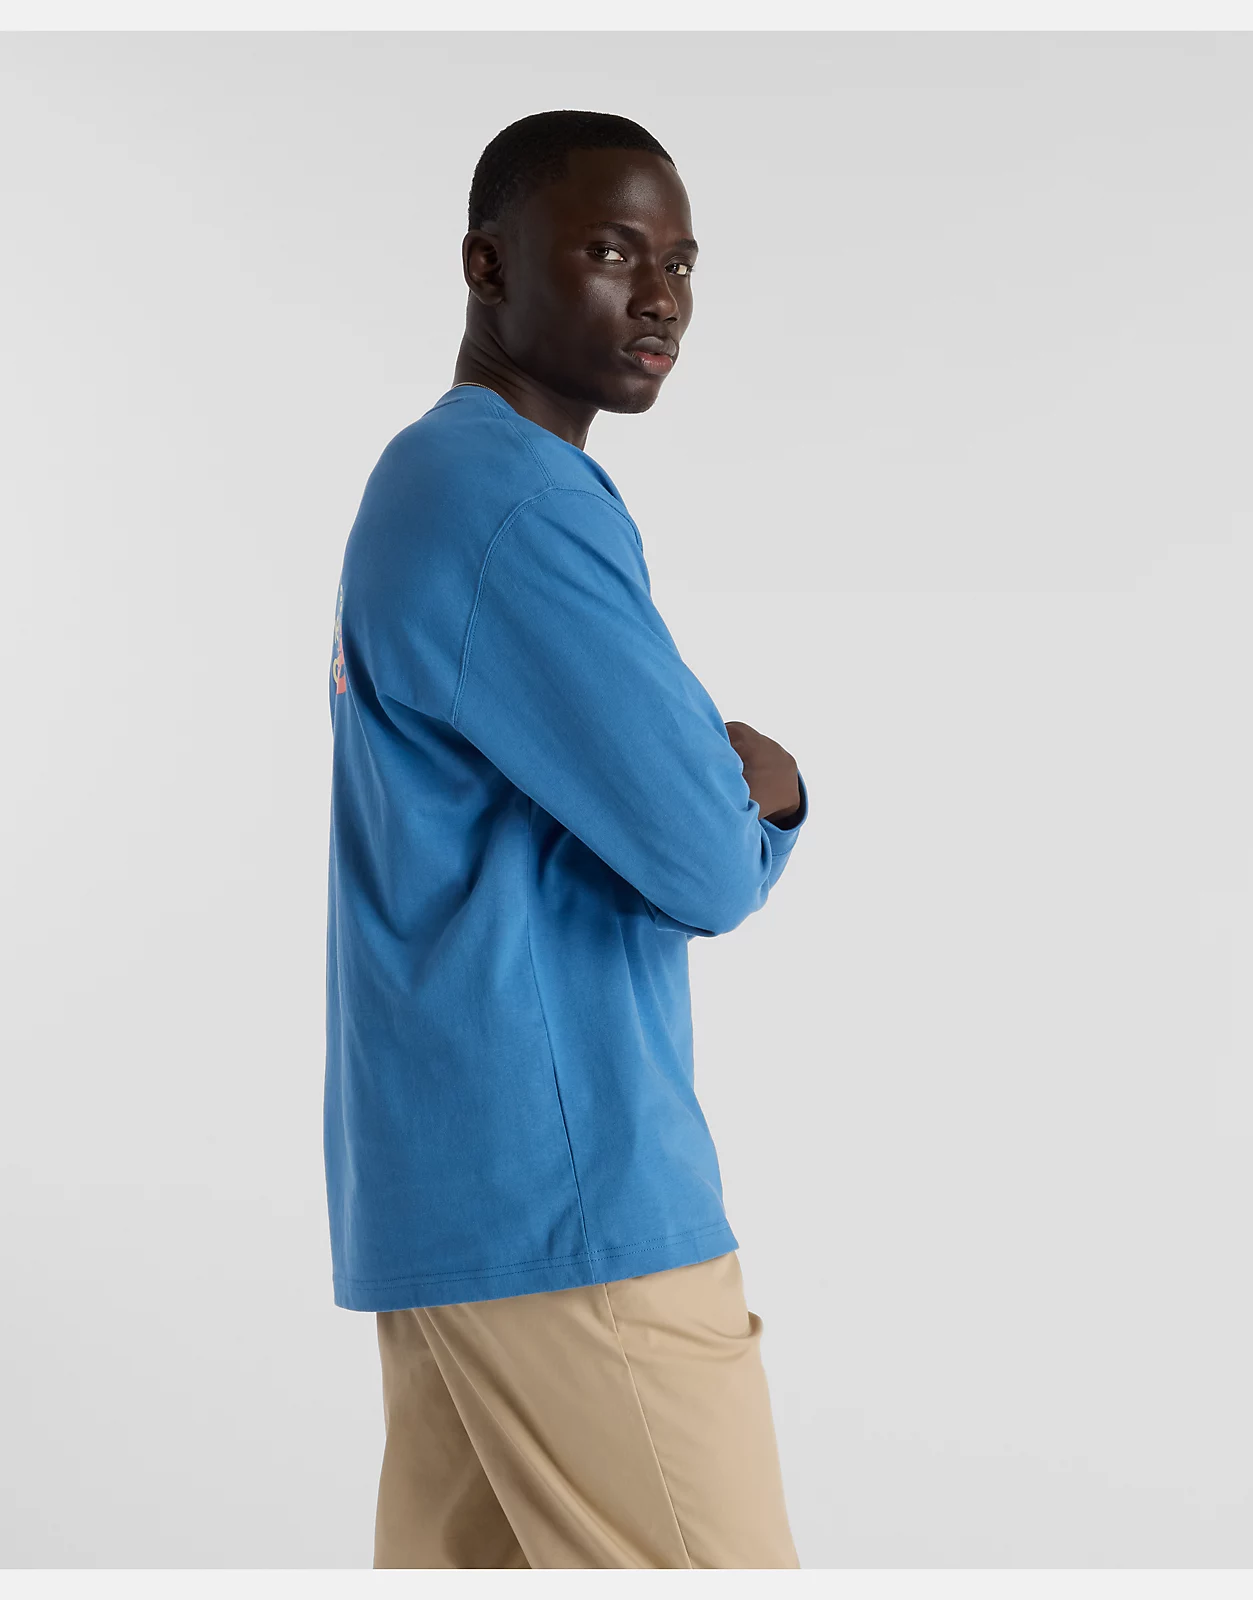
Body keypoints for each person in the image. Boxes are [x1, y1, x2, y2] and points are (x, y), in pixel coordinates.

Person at [324, 109, 808, 1570]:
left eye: (681, 263)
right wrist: (771, 792)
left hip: (449, 1195)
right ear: (486, 264)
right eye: (611, 253)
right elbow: (705, 861)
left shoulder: (429, 483)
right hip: (570, 1198)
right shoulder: (511, 501)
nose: (660, 297)